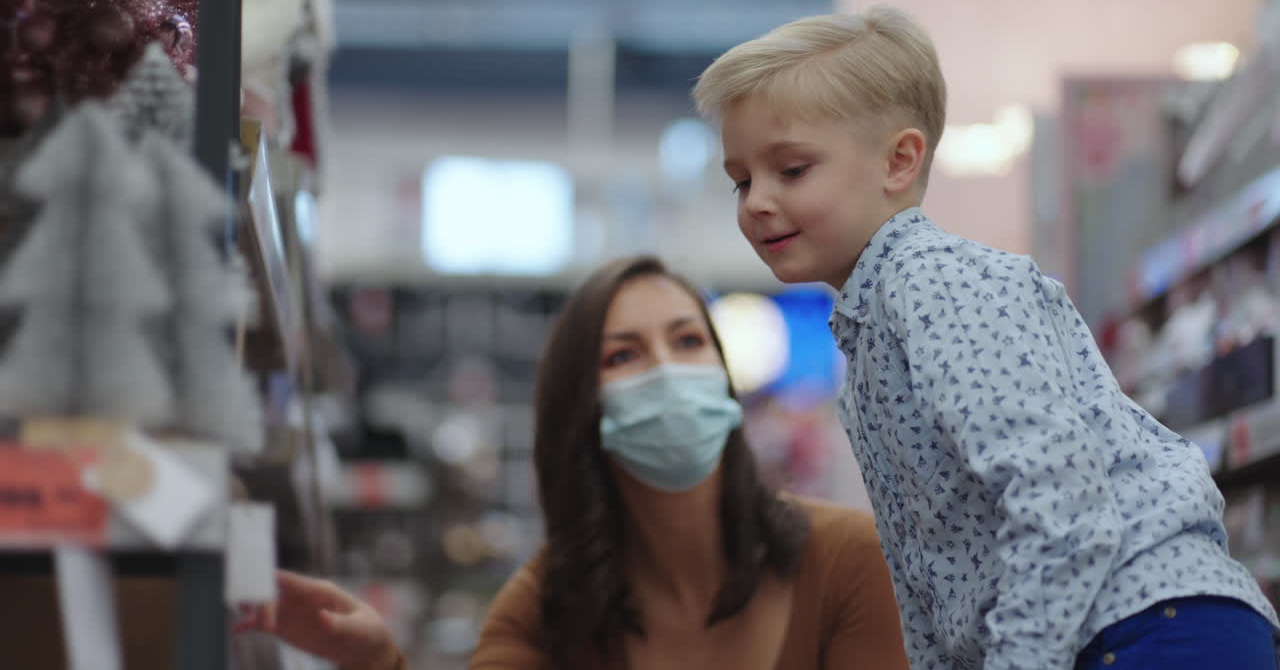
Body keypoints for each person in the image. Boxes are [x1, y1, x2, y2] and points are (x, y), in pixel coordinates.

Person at [692, 5, 1280, 670]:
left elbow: (1061, 507)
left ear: (899, 160)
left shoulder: (932, 283)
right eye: (742, 181)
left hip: (1146, 628)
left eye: (792, 170)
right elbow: (933, 579)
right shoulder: (871, 328)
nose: (757, 202)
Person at [239, 255, 910, 669]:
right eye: (624, 354)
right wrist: (377, 662)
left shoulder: (848, 560)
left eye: (687, 341)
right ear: (581, 407)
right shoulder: (541, 614)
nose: (667, 372)